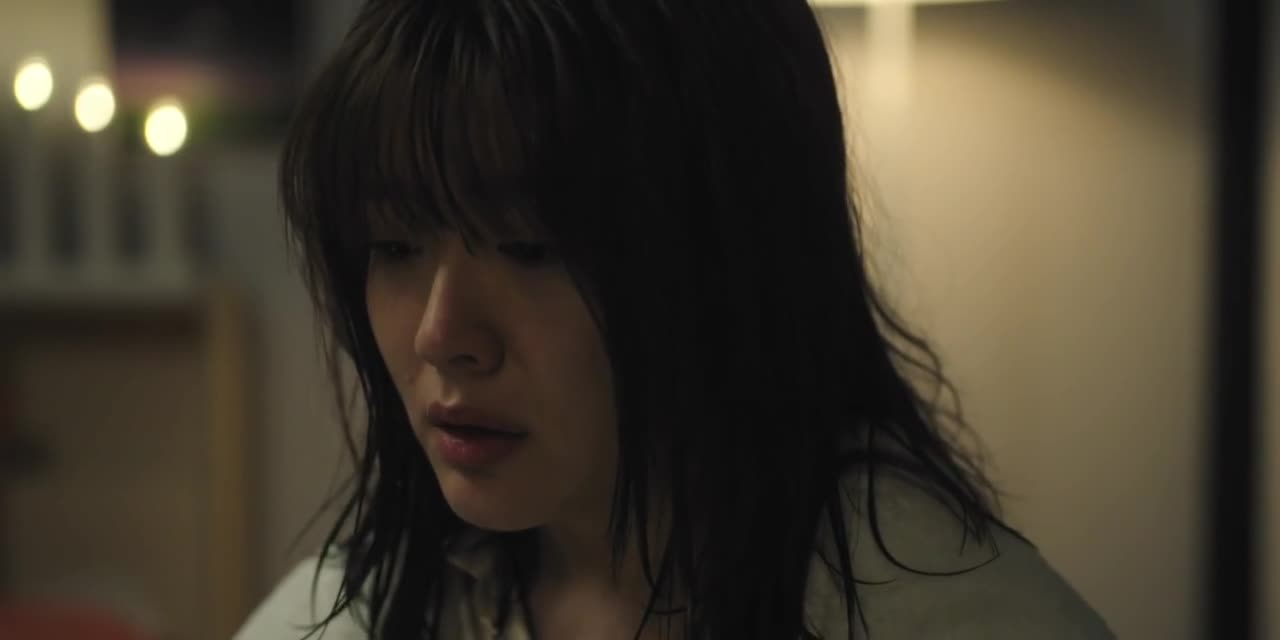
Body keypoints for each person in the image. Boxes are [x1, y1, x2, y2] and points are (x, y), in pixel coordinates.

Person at [236, 0, 1115, 638]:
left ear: (723, 256)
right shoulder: (357, 610)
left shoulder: (941, 610)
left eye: (533, 250)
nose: (442, 335)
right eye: (393, 245)